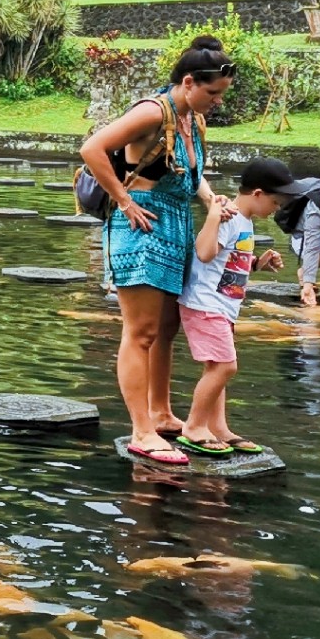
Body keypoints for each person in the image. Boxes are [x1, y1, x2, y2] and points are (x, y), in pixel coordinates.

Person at [77, 35, 232, 467]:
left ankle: (161, 414)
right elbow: (92, 149)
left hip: (177, 225)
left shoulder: (190, 119)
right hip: (141, 225)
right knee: (140, 332)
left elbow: (190, 172)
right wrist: (124, 201)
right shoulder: (152, 111)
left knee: (166, 330)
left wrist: (210, 200)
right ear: (188, 82)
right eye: (212, 93)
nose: (216, 102)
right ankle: (141, 430)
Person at [177, 158, 290, 457]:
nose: (276, 209)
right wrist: (213, 217)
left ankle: (218, 427)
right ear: (257, 194)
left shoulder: (245, 222)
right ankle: (194, 426)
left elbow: (224, 263)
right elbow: (204, 252)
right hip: (205, 304)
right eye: (275, 202)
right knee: (226, 366)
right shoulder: (228, 217)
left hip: (222, 306)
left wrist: (257, 264)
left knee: (217, 368)